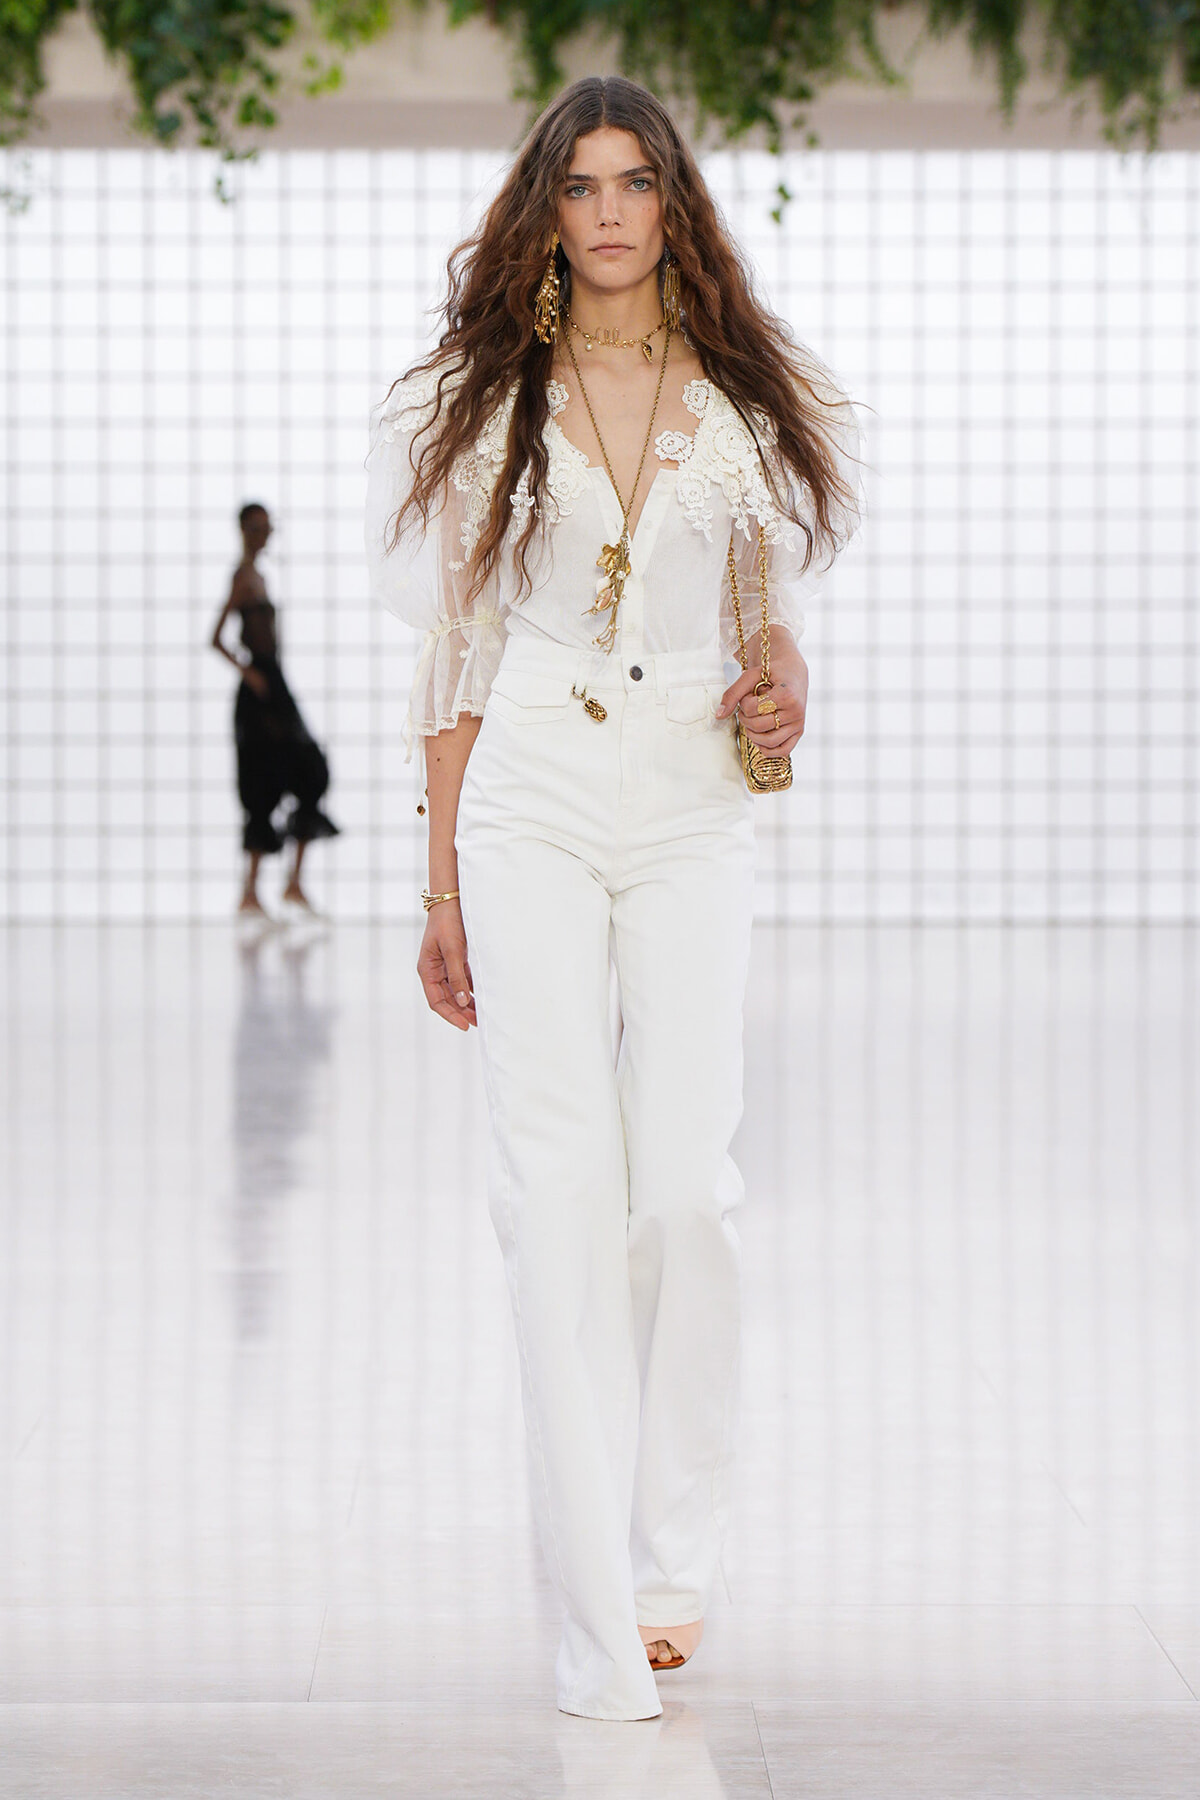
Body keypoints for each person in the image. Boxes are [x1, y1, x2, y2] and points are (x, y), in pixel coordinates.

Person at [365, 75, 862, 1721]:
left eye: (634, 180)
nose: (607, 209)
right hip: (530, 794)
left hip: (691, 805)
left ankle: (672, 1558)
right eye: (577, 182)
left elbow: (761, 618)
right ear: (544, 209)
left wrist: (779, 684)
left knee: (685, 1198)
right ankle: (596, 1620)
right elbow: (454, 661)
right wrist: (436, 886)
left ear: (673, 205)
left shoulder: (732, 394)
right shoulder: (477, 399)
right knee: (556, 1194)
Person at [210, 503, 339, 916]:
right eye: (256, 528)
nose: (263, 535)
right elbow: (216, 637)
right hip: (260, 688)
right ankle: (252, 891)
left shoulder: (259, 576)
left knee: (309, 771)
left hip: (275, 683)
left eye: (267, 528)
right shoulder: (243, 576)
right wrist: (249, 674)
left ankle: (292, 884)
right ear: (242, 531)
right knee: (262, 782)